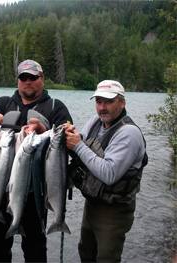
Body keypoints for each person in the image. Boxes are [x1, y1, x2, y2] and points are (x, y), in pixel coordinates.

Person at [0, 59, 73, 262]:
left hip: (36, 194)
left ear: (42, 79)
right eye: (23, 77)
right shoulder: (1, 103)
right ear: (17, 81)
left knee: (35, 249)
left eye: (33, 77)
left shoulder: (56, 107)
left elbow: (68, 137)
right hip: (0, 189)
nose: (28, 81)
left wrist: (47, 131)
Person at [64, 80, 148, 262]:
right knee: (86, 253)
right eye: (99, 102)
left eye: (109, 102)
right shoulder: (96, 121)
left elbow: (109, 174)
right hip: (92, 204)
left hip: (114, 211)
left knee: (106, 258)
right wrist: (70, 137)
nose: (102, 107)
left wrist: (77, 145)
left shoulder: (129, 133)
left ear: (122, 102)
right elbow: (82, 148)